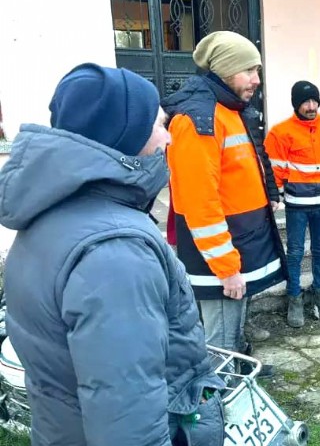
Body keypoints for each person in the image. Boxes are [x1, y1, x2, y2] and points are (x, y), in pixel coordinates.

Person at [0, 63, 225, 445]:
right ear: (124, 134)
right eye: (157, 124)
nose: (167, 138)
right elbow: (127, 415)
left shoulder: (53, 212)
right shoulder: (115, 250)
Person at [163, 31, 286, 370]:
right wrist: (226, 268)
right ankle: (219, 400)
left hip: (240, 240)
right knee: (218, 340)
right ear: (226, 69)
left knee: (233, 323)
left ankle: (238, 370)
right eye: (249, 71)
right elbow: (199, 202)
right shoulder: (197, 119)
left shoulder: (227, 110)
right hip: (219, 255)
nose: (256, 80)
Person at [265, 81, 320, 328]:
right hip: (297, 204)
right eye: (305, 102)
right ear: (296, 104)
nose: (311, 107)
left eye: (314, 101)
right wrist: (274, 197)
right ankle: (295, 299)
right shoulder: (280, 133)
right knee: (295, 252)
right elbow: (274, 170)